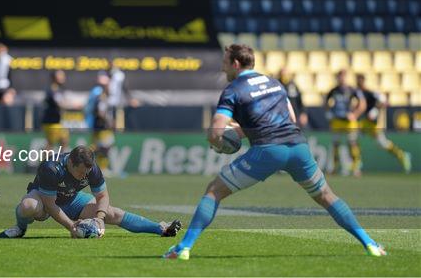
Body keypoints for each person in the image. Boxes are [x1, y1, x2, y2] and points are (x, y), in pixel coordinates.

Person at [163, 44, 386, 260]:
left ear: (236, 63)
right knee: (327, 196)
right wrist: (243, 133)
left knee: (213, 191)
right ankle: (370, 244)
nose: (223, 68)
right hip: (298, 147)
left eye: (225, 63)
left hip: (268, 150)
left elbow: (216, 129)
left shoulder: (233, 89)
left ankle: (182, 248)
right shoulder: (274, 82)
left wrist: (217, 142)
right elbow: (291, 119)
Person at [0, 145, 181, 238]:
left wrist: (99, 218)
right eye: (80, 172)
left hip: (71, 199)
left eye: (86, 172)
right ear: (70, 163)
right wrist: (72, 226)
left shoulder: (91, 168)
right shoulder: (51, 168)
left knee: (112, 212)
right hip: (45, 200)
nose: (83, 176)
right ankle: (20, 228)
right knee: (28, 206)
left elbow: (102, 196)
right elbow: (50, 205)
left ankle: (160, 228)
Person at [356, 74, 411, 173]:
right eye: (357, 81)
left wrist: (375, 111)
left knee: (382, 143)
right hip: (364, 123)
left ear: (363, 81)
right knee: (354, 139)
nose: (359, 83)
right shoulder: (357, 93)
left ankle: (401, 155)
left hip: (373, 124)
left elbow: (384, 102)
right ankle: (357, 164)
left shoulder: (370, 93)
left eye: (360, 81)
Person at [325, 69, 366, 177]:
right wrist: (330, 112)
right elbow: (326, 103)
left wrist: (355, 114)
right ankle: (333, 168)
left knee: (352, 143)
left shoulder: (352, 90)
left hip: (349, 121)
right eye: (339, 77)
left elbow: (362, 104)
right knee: (335, 145)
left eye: (343, 76)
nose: (341, 79)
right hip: (337, 121)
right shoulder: (333, 90)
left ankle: (356, 168)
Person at [41, 70, 82, 153]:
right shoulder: (53, 89)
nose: (63, 77)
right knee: (51, 144)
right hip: (51, 122)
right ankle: (44, 163)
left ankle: (59, 160)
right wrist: (74, 106)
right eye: (60, 75)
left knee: (63, 140)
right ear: (54, 78)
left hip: (57, 121)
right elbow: (60, 104)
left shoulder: (59, 89)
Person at [85, 72, 115, 176]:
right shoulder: (102, 96)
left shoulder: (102, 95)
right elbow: (101, 113)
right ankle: (86, 160)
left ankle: (99, 167)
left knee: (101, 146)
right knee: (104, 146)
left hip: (98, 125)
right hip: (102, 126)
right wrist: (109, 122)